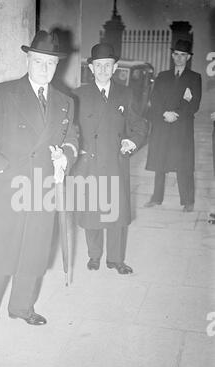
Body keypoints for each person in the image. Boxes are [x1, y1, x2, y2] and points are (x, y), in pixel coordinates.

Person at [0, 31, 79, 339]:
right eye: (38, 61)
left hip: (43, 191)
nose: (44, 68)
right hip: (8, 188)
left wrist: (66, 157)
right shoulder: (3, 93)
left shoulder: (65, 102)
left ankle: (21, 307)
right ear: (28, 60)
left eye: (50, 63)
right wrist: (2, 170)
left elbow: (72, 136)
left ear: (56, 65)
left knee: (34, 252)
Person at [73, 43, 147, 274]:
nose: (103, 69)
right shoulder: (78, 94)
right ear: (91, 68)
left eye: (108, 65)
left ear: (115, 68)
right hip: (90, 164)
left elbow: (139, 125)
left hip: (115, 162)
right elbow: (70, 128)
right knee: (91, 213)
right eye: (98, 65)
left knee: (116, 214)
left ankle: (115, 259)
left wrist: (132, 142)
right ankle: (94, 256)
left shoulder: (125, 93)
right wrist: (76, 148)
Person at [144, 39, 202, 212]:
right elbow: (155, 98)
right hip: (163, 124)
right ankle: (156, 198)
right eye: (176, 54)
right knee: (160, 161)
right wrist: (164, 113)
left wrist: (176, 114)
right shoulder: (163, 76)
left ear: (189, 57)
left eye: (183, 55)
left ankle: (188, 201)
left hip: (181, 126)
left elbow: (194, 103)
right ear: (172, 55)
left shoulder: (194, 78)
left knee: (183, 164)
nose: (179, 58)